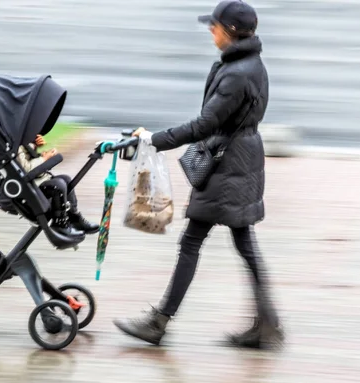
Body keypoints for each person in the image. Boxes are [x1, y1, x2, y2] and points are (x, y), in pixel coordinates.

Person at [113, 0, 284, 349]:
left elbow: (204, 124)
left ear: (231, 32)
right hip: (241, 160)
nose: (211, 29)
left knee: (193, 241)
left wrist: (153, 141)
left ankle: (159, 322)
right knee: (244, 243)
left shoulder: (237, 74)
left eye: (215, 25)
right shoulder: (249, 65)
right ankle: (267, 325)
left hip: (228, 166)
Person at [16, 134, 99, 237]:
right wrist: (44, 159)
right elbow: (25, 169)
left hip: (36, 181)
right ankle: (59, 224)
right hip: (28, 188)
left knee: (66, 180)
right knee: (57, 186)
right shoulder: (13, 144)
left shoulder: (19, 140)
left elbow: (26, 159)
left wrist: (33, 145)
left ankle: (73, 217)